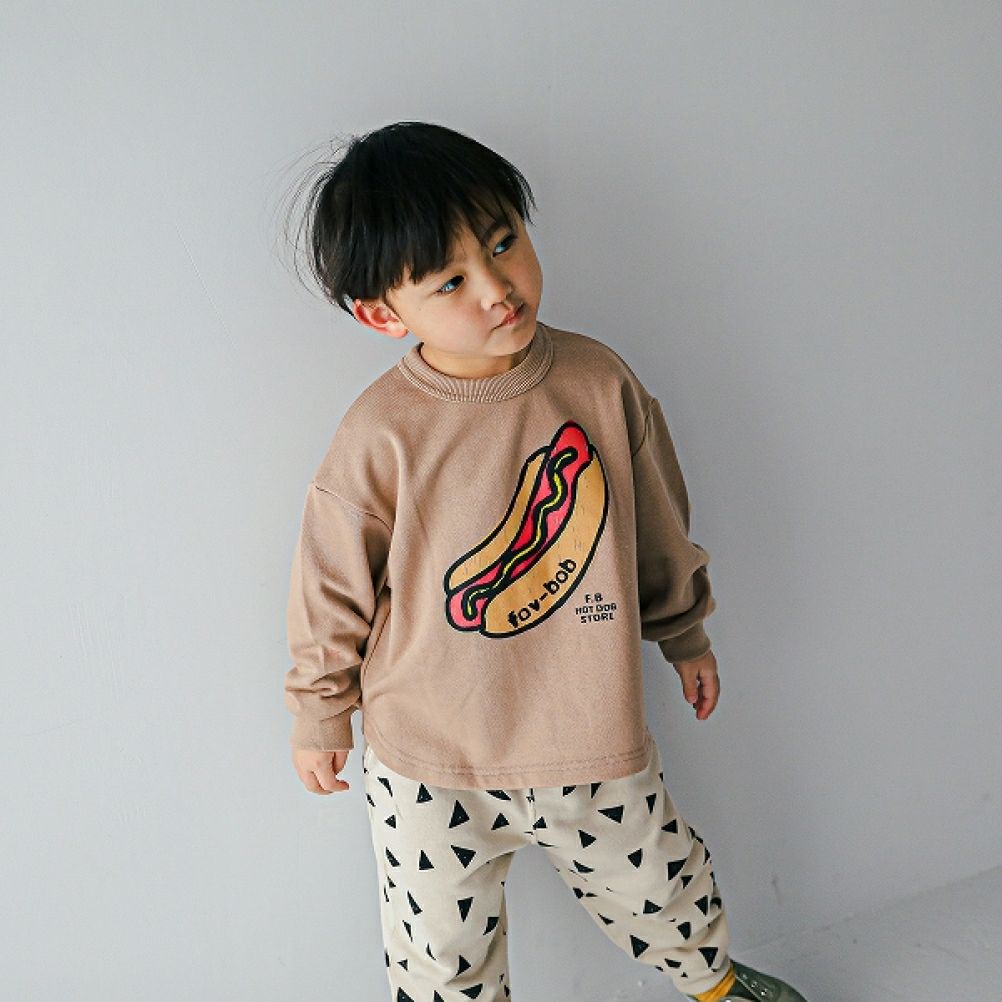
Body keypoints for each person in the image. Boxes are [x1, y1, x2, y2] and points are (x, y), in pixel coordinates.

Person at [282, 120, 808, 1002]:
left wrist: (685, 634)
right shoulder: (380, 433)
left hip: (587, 727)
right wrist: (318, 710)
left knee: (662, 888)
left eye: (503, 244)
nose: (497, 289)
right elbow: (330, 585)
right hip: (429, 756)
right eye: (451, 281)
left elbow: (657, 525)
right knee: (440, 950)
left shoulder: (597, 382)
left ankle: (716, 987)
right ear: (383, 313)